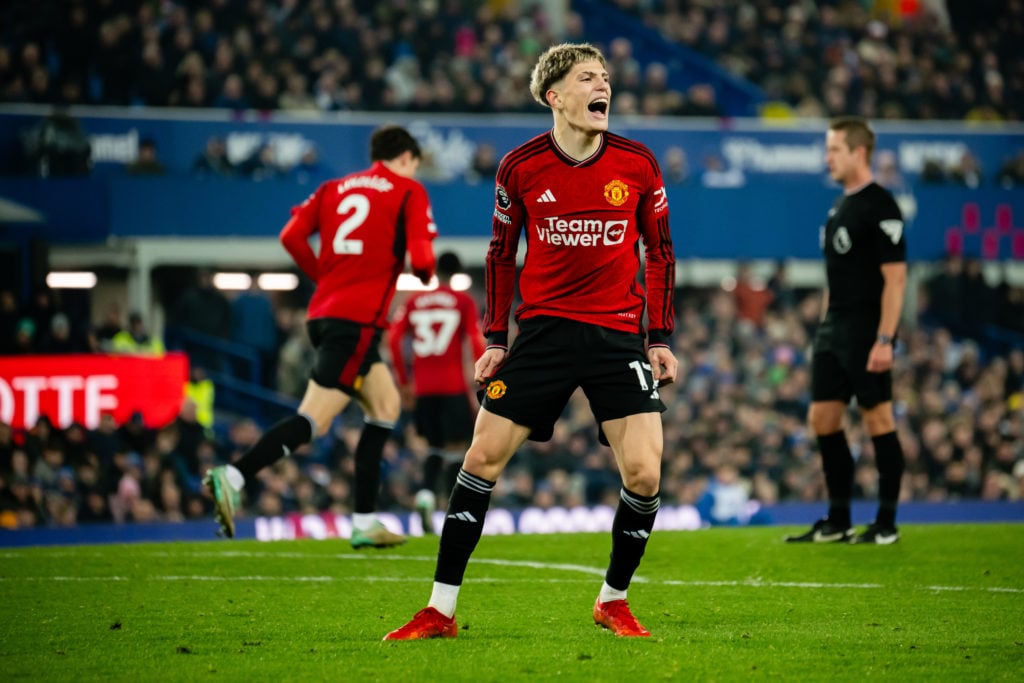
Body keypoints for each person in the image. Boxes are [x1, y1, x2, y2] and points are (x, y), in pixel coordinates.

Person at [385, 43, 677, 641]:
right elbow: (499, 254)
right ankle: (439, 610)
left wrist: (660, 336)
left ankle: (612, 601)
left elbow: (660, 252)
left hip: (618, 334)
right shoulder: (519, 167)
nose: (604, 88)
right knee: (480, 458)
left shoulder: (638, 164)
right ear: (555, 96)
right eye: (588, 78)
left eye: (606, 78)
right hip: (542, 333)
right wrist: (495, 336)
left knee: (645, 474)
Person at [203, 125, 437, 546]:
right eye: (415, 166)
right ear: (406, 157)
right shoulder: (407, 191)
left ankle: (365, 521)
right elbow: (422, 262)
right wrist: (423, 270)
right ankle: (234, 475)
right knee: (315, 419)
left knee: (385, 405)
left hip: (325, 315)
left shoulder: (334, 188)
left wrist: (324, 277)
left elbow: (290, 236)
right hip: (358, 322)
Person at [786, 117, 907, 546]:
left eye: (834, 149)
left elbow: (895, 280)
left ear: (859, 152)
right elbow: (834, 277)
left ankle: (886, 523)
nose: (828, 158)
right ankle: (838, 520)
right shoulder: (840, 206)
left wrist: (885, 339)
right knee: (822, 418)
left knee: (878, 418)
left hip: (865, 331)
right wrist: (823, 328)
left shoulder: (881, 206)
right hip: (833, 330)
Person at [388, 251, 485, 534]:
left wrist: (404, 380)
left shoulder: (414, 302)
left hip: (423, 388)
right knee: (458, 448)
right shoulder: (463, 302)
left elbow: (394, 338)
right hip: (453, 387)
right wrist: (482, 377)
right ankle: (454, 508)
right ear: (456, 273)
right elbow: (475, 340)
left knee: (433, 446)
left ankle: (426, 496)